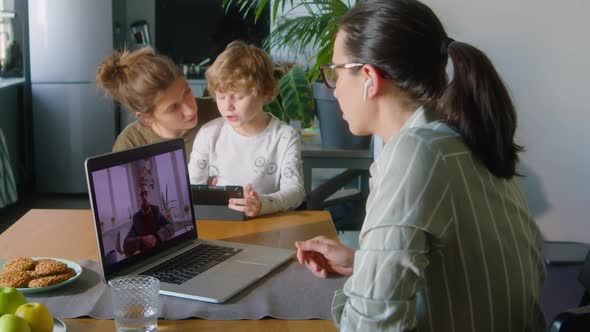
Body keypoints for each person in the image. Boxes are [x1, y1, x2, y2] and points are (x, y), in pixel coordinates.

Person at [294, 0, 546, 331]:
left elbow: (370, 326)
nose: (335, 87)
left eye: (335, 72)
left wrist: (354, 294)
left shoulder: (416, 153)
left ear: (368, 77)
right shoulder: (457, 138)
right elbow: (454, 270)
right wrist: (364, 265)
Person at [188, 41, 305, 217]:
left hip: (265, 225)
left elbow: (296, 192)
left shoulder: (284, 136)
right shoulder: (209, 134)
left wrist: (262, 204)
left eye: (239, 97)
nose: (228, 106)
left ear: (265, 93)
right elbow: (191, 189)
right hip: (218, 225)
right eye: (220, 97)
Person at [96, 47, 220, 161]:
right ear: (145, 118)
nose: (191, 110)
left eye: (186, 92)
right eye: (173, 107)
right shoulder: (131, 144)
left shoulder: (221, 110)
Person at [123, 181, 175, 255]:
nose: (144, 197)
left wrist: (157, 237)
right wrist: (142, 240)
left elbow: (171, 226)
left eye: (146, 193)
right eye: (141, 194)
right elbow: (126, 245)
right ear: (138, 198)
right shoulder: (136, 218)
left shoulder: (156, 210)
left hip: (161, 251)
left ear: (149, 195)